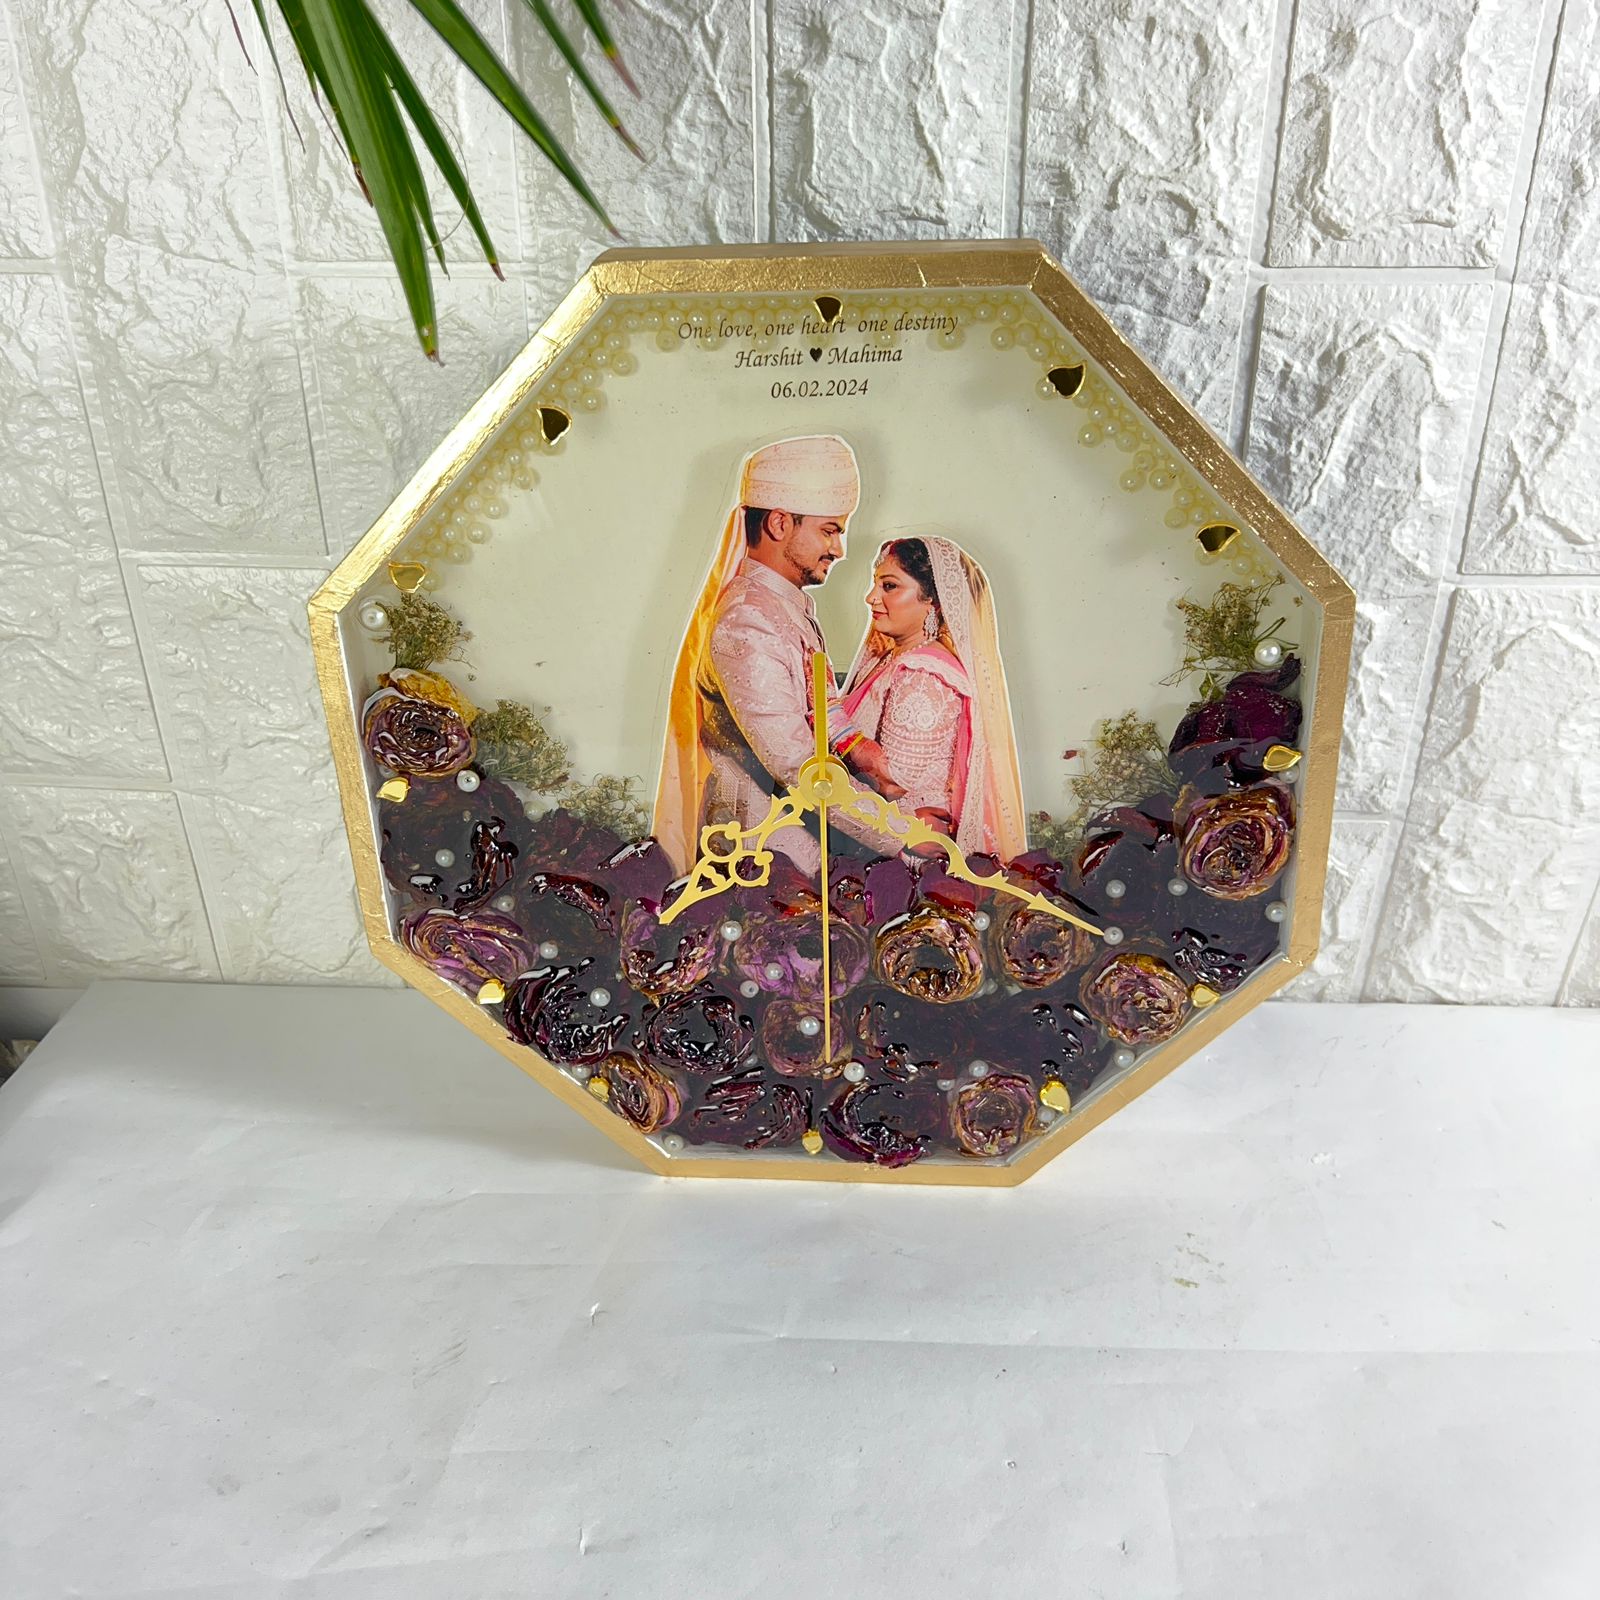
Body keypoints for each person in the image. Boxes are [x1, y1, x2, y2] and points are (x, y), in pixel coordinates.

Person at [653, 435, 901, 876]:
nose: (839, 550)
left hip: (805, 846)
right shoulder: (748, 621)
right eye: (829, 530)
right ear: (780, 524)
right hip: (762, 860)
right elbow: (798, 765)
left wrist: (861, 750)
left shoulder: (784, 607)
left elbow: (818, 705)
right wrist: (905, 837)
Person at [834, 535, 1028, 862]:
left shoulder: (923, 674)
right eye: (875, 584)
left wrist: (832, 721)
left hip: (905, 849)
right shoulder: (893, 658)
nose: (871, 597)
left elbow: (895, 780)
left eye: (889, 586)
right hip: (883, 836)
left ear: (933, 602)